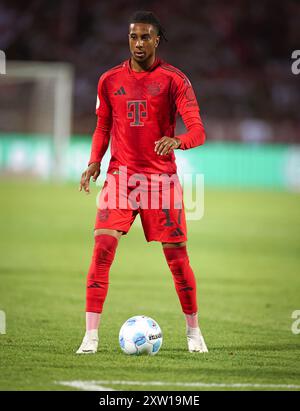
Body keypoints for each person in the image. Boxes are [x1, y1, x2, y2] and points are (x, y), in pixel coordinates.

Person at [76, 10, 208, 354]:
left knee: (177, 261)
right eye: (133, 36)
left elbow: (198, 130)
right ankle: (90, 337)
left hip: (161, 182)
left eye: (145, 37)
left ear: (157, 40)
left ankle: (194, 332)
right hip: (120, 178)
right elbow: (103, 127)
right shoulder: (108, 80)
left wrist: (177, 140)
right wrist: (94, 162)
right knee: (102, 248)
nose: (138, 43)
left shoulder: (174, 80)